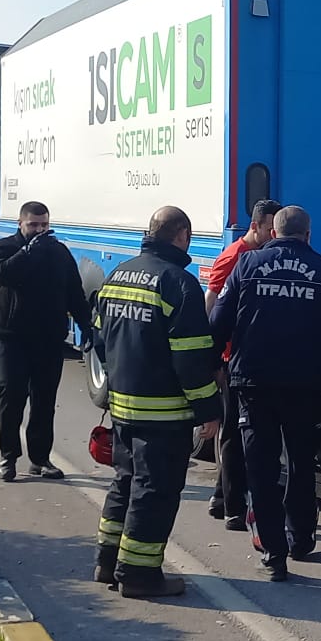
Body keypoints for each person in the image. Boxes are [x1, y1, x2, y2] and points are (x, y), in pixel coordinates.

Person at [209, 205, 321, 582]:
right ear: (308, 235)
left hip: (254, 384)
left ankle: (274, 554)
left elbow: (219, 321)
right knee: (302, 463)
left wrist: (211, 367)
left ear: (273, 233)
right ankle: (302, 537)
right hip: (307, 385)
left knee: (260, 466)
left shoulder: (247, 265)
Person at [92, 207, 221, 599]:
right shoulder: (179, 284)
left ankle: (106, 561)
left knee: (125, 483)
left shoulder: (119, 274)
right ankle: (139, 575)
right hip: (164, 414)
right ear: (181, 235)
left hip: (123, 407)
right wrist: (209, 411)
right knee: (155, 493)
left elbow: (98, 339)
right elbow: (191, 359)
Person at [0, 201, 95, 482]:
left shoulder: (58, 252)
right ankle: (8, 456)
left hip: (48, 337)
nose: (39, 230)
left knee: (44, 401)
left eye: (44, 225)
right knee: (11, 395)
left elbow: (74, 292)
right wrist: (27, 253)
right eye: (33, 225)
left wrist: (88, 328)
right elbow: (3, 273)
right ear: (20, 224)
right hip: (12, 337)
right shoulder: (2, 248)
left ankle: (40, 458)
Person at [202, 198, 282, 531]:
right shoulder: (234, 256)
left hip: (252, 358)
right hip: (232, 359)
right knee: (233, 433)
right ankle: (228, 502)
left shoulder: (265, 257)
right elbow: (212, 300)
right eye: (268, 230)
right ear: (255, 226)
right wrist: (213, 354)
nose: (273, 236)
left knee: (242, 433)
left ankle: (225, 496)